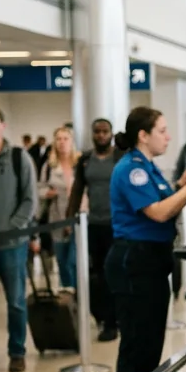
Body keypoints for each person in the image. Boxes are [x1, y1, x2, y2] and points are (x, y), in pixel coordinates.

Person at [105, 107, 186, 372]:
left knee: (150, 341)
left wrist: (183, 182)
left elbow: (162, 197)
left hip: (151, 260)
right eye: (162, 131)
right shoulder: (132, 169)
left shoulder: (147, 167)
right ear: (143, 135)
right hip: (135, 260)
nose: (168, 137)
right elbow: (158, 212)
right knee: (138, 346)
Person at [0, 105, 38, 372]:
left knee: (15, 300)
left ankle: (17, 351)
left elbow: (30, 199)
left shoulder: (19, 157)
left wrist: (14, 228)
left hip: (12, 244)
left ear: (2, 126)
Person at [68, 117, 121, 341]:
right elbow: (78, 189)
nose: (101, 135)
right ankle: (102, 317)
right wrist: (69, 219)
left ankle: (113, 321)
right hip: (94, 224)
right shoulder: (86, 160)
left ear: (111, 133)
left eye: (104, 131)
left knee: (114, 273)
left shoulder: (119, 157)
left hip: (116, 224)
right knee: (96, 274)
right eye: (97, 131)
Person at [38, 126, 79, 289]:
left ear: (71, 141)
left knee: (74, 261)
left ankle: (79, 294)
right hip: (57, 218)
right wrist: (48, 192)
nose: (62, 143)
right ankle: (67, 295)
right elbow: (40, 188)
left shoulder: (79, 163)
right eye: (58, 139)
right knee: (62, 261)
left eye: (66, 139)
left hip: (78, 218)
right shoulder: (49, 166)